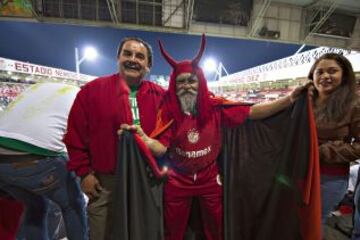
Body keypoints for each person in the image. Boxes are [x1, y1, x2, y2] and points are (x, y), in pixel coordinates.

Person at [119, 34, 312, 240]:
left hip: (209, 178)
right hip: (178, 179)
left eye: (192, 81)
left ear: (200, 82)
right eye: (181, 82)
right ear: (174, 86)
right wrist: (146, 141)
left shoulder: (216, 107)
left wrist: (289, 99)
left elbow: (253, 112)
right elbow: (162, 148)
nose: (187, 86)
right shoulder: (168, 112)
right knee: (172, 229)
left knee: (215, 227)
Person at [64, 37, 165, 240]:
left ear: (148, 65)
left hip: (147, 181)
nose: (133, 59)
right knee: (101, 232)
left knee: (145, 232)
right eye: (127, 53)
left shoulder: (161, 96)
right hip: (106, 184)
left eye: (140, 56)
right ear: (118, 57)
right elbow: (74, 135)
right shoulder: (92, 91)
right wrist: (84, 174)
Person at [0, 82, 87, 240]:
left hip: (3, 165)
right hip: (35, 158)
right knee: (74, 204)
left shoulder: (40, 88)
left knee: (36, 206)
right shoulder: (83, 99)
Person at [307, 53, 360, 225]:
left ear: (344, 75)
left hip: (329, 177)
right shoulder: (303, 100)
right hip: (299, 171)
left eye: (332, 71)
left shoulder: (354, 104)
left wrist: (324, 151)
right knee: (295, 220)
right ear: (312, 76)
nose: (325, 76)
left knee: (314, 222)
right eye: (319, 72)